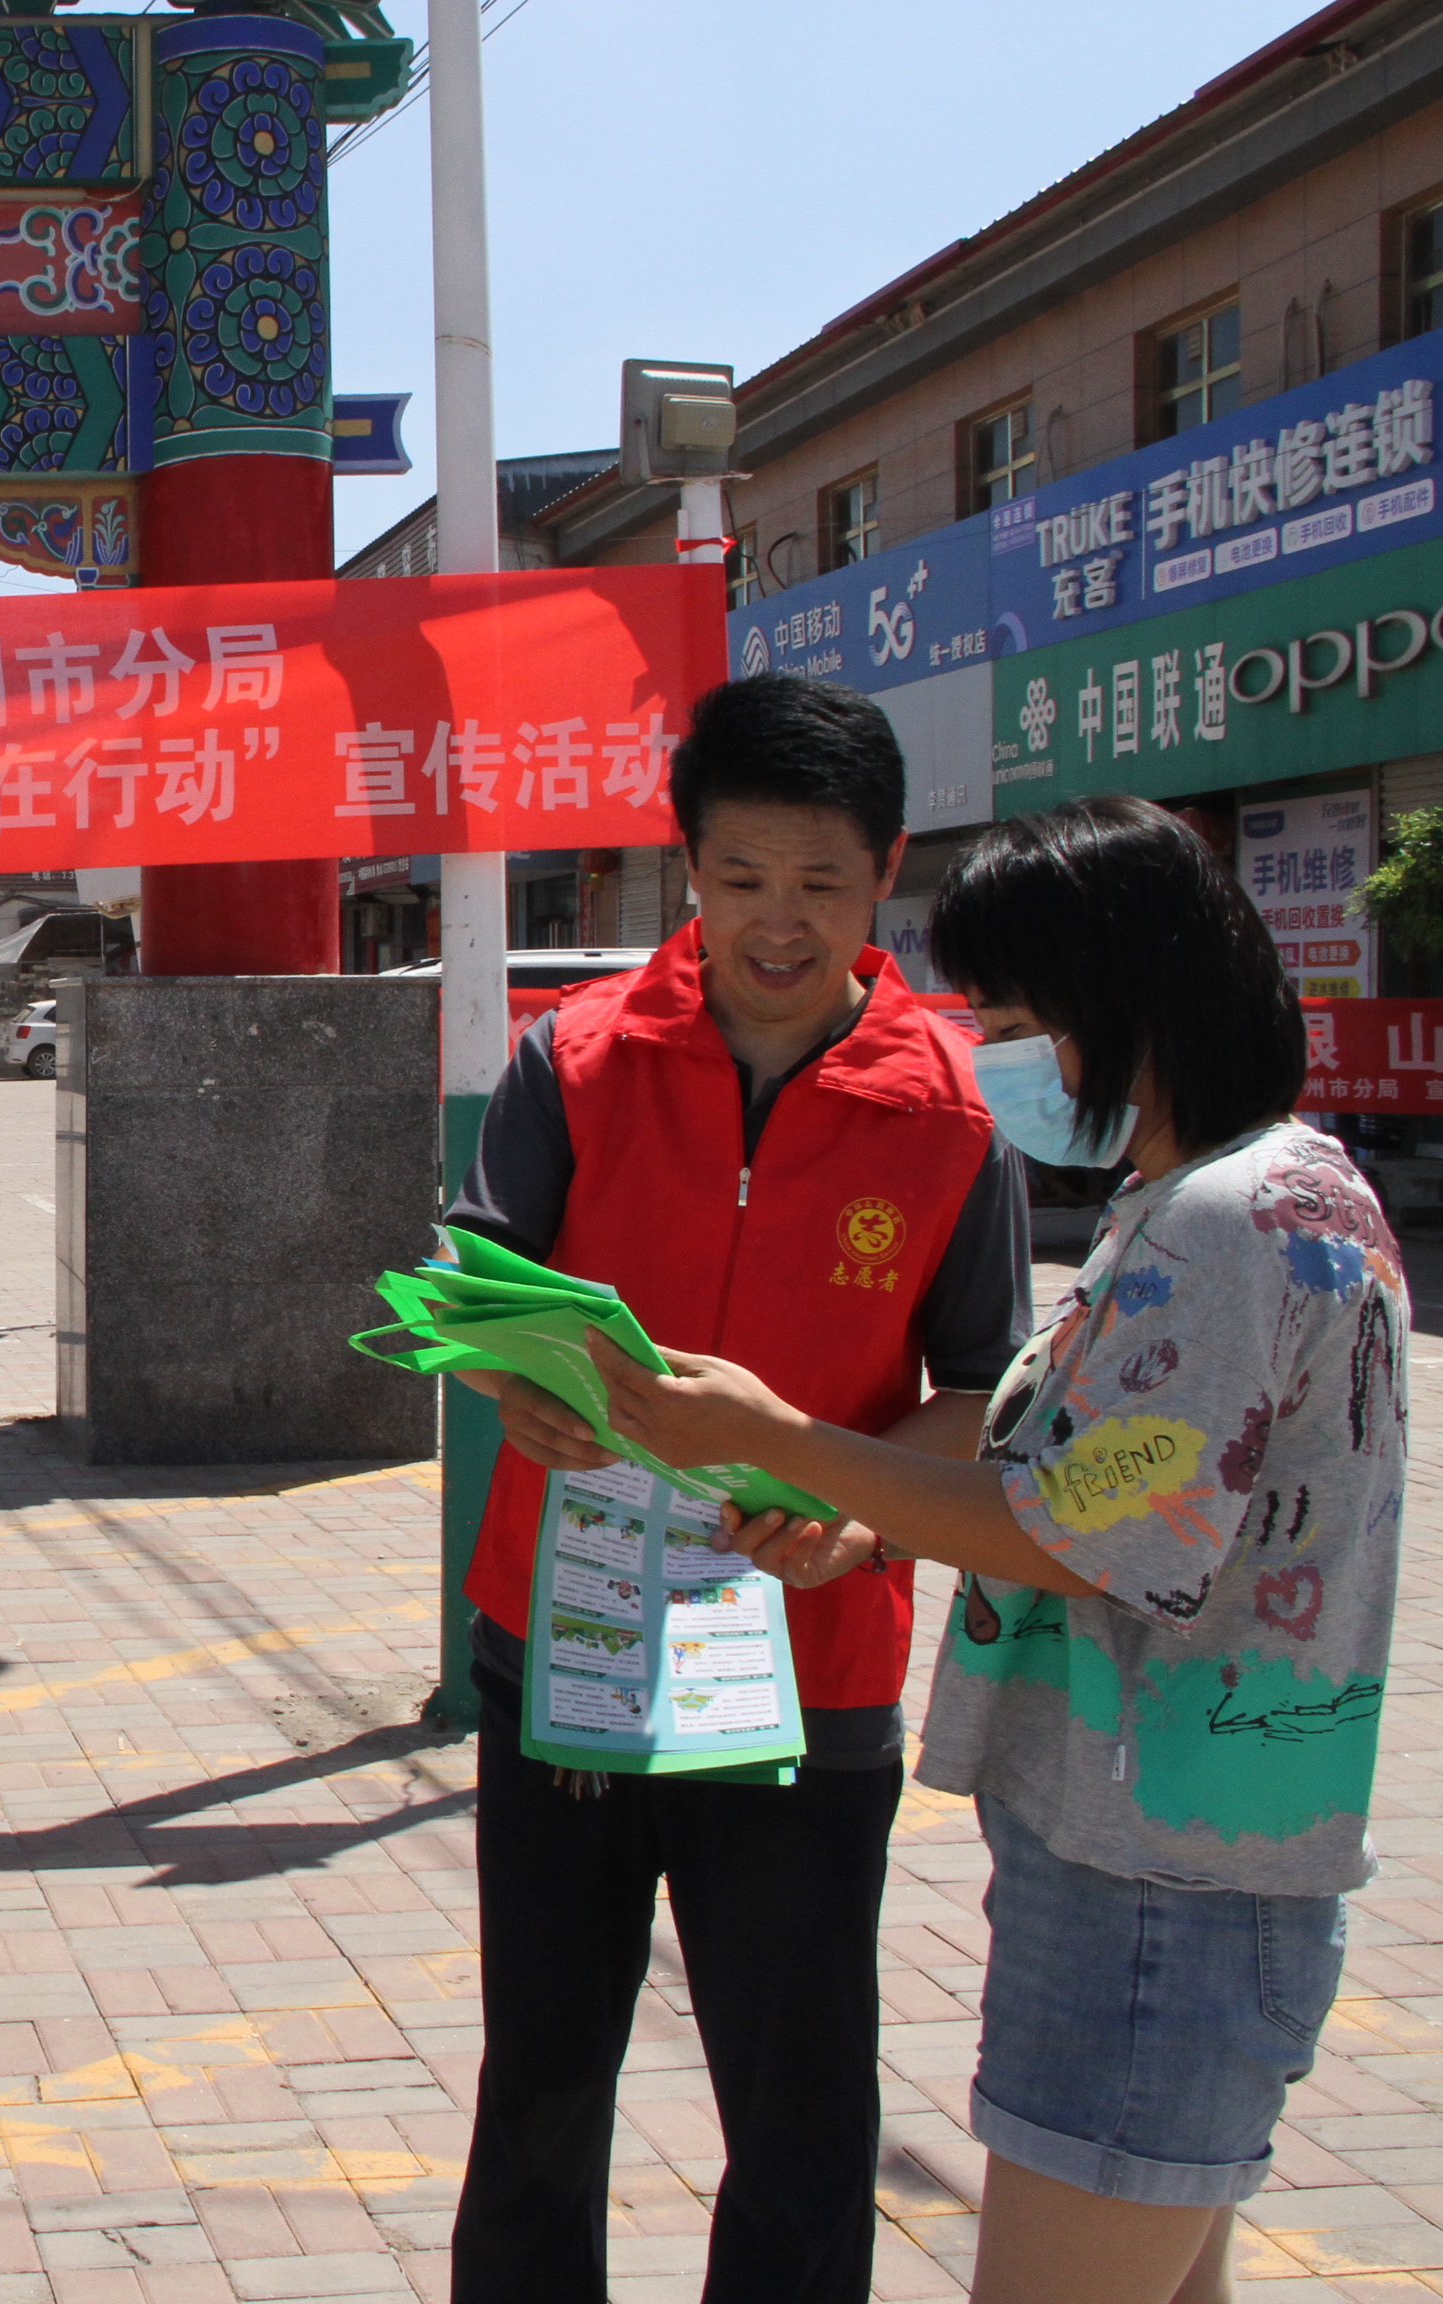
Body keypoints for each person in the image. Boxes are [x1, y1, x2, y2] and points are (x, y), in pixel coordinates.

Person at [596, 795, 1405, 2304]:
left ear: (1131, 997)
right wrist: (859, 1517)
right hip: (1186, 1847)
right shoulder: (1259, 1186)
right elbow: (1083, 1492)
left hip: (1155, 1883)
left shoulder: (1221, 1225)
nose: (1001, 1056)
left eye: (1025, 1017)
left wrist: (773, 1433)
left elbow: (1084, 1536)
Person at [439, 675, 1032, 2303]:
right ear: (685, 868)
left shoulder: (950, 1115)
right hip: (564, 1641)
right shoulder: (573, 1060)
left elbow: (982, 1387)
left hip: (806, 1668)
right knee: (543, 2079)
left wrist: (851, 1513)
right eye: (740, 879)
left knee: (797, 2096)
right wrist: (519, 1386)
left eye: (821, 883)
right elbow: (474, 1287)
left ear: (886, 869)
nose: (779, 922)